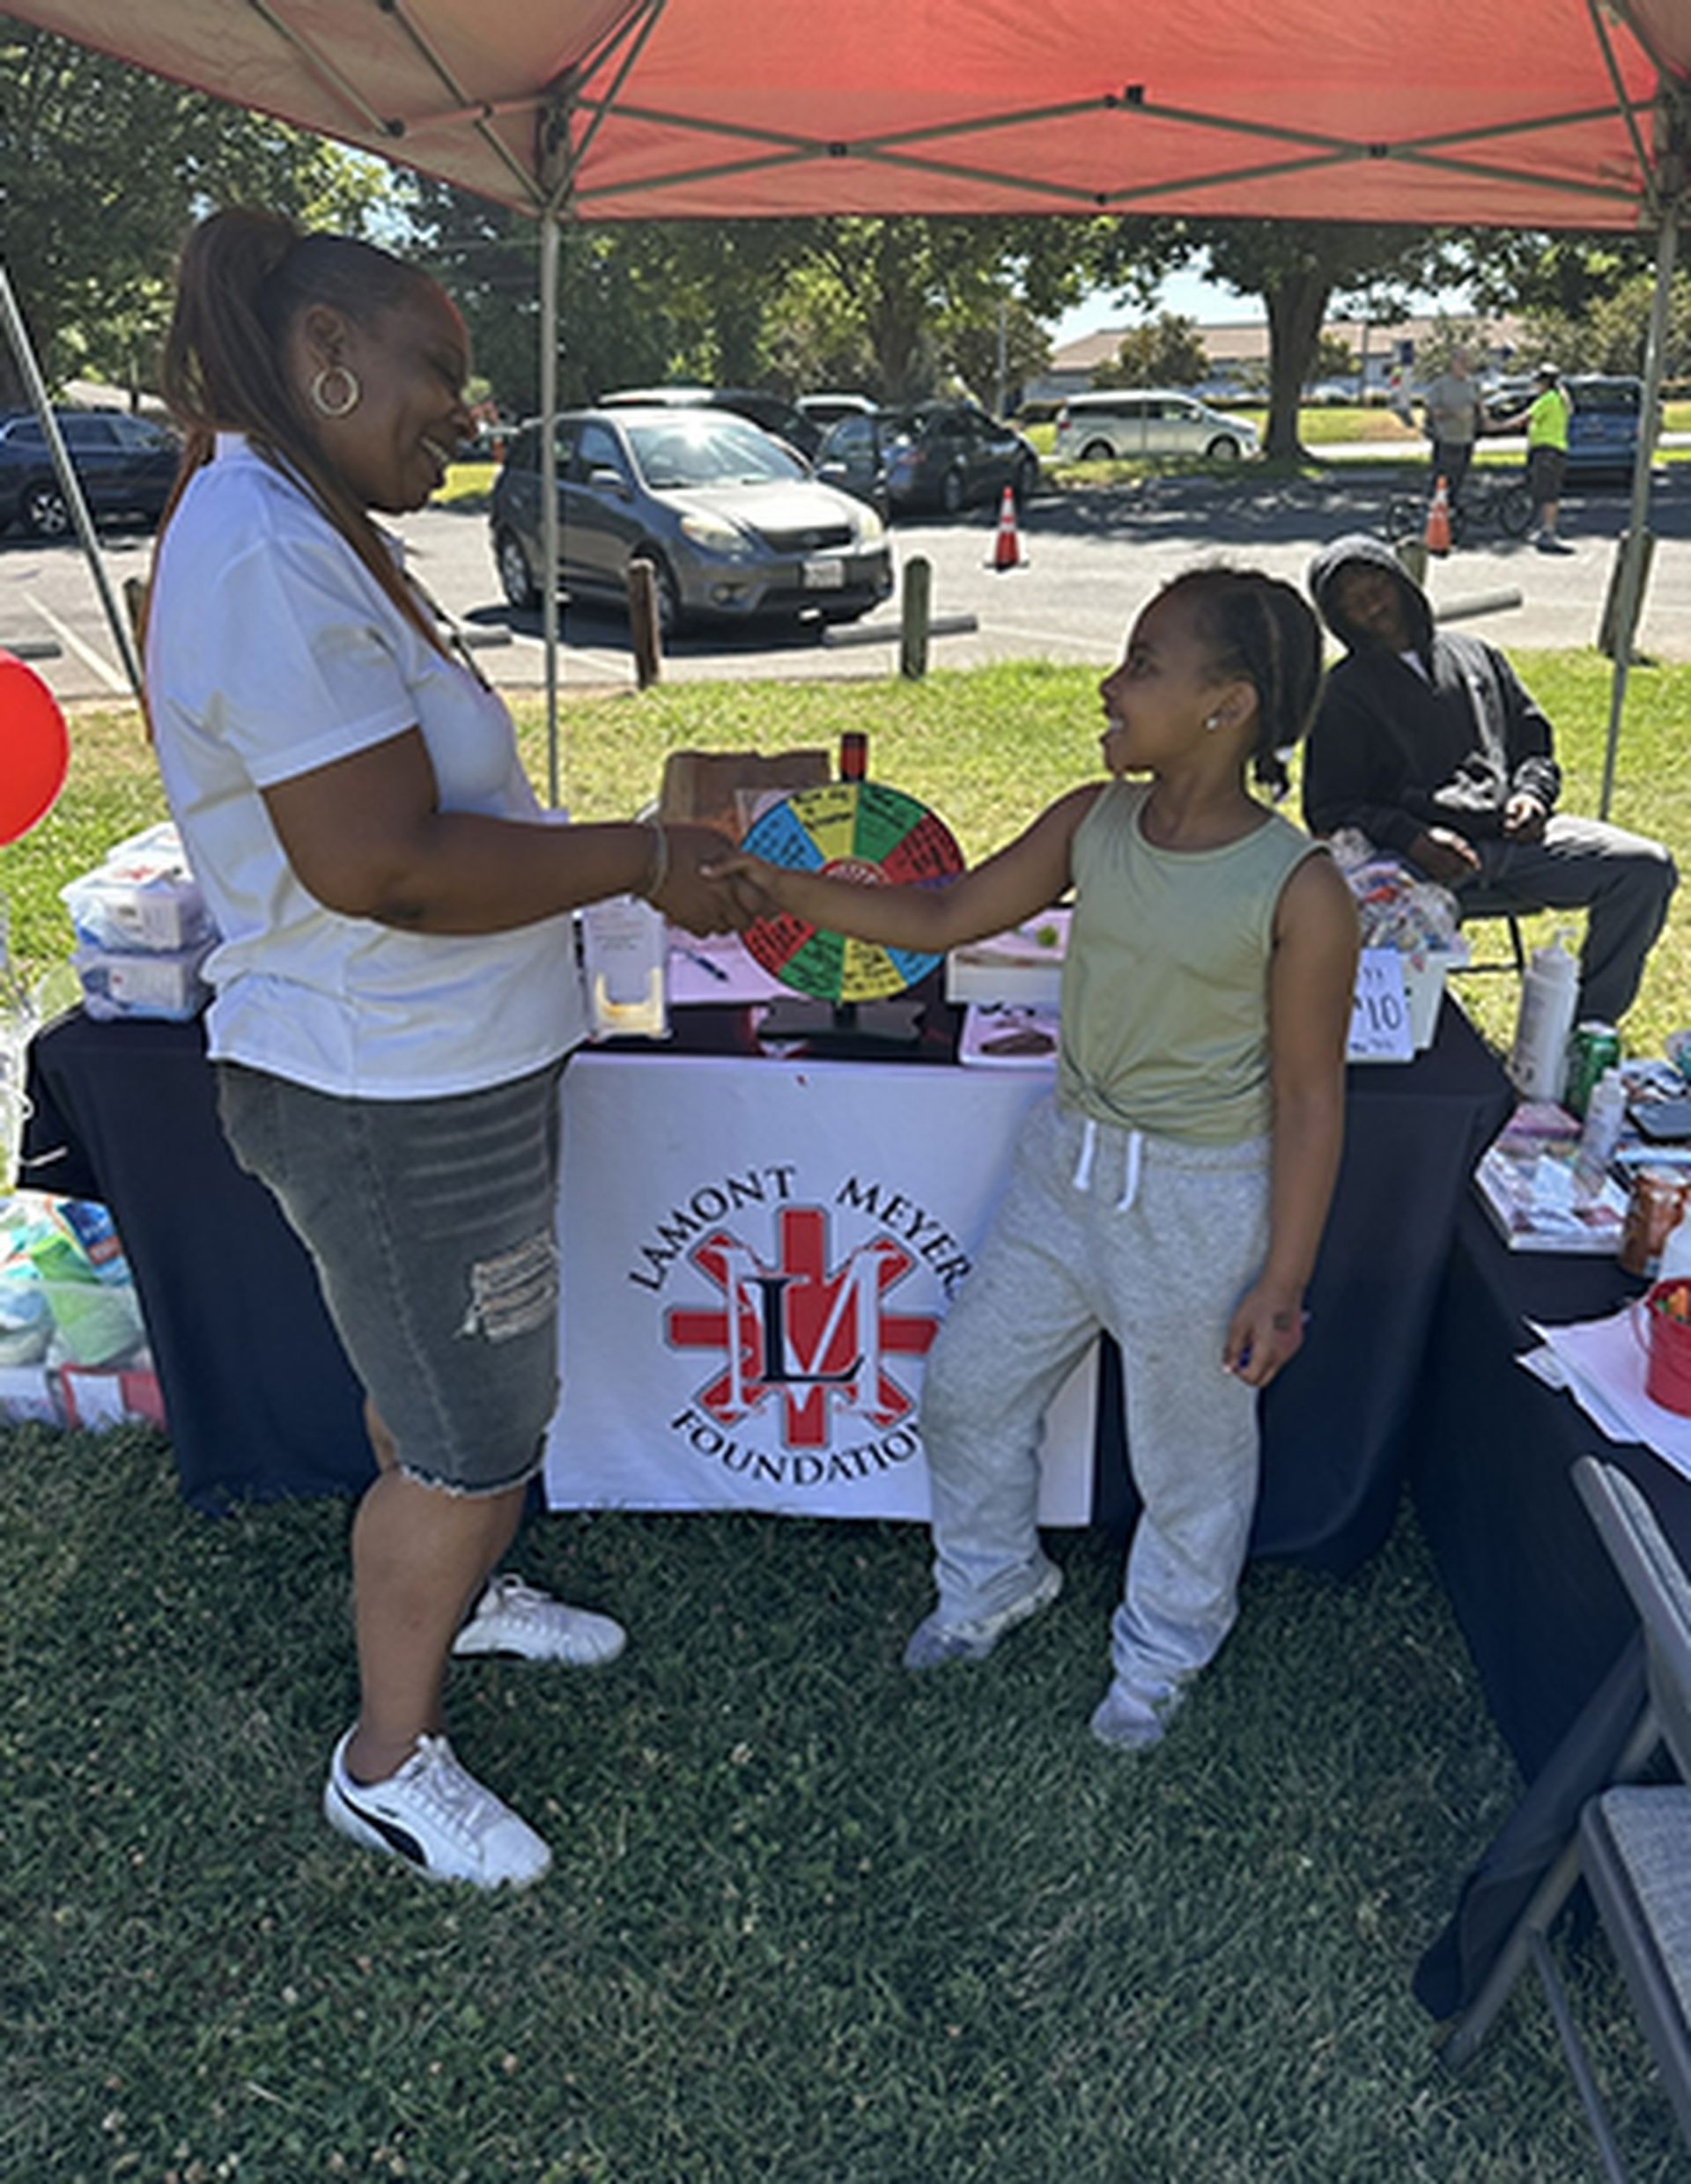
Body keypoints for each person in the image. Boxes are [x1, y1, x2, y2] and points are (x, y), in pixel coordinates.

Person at [144, 208, 742, 1891]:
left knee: (439, 1383)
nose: (467, 418)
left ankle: (464, 1594)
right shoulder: (263, 542)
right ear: (325, 355)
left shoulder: (314, 520)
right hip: (379, 1083)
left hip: (446, 1061)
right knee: (480, 1431)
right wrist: (636, 856)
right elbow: (383, 863)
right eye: (438, 374)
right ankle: (388, 1762)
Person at [708, 566, 1359, 1752]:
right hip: (1065, 1169)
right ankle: (994, 1579)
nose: (1111, 684)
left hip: (1200, 1201)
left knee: (1192, 1457)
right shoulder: (1090, 821)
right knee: (968, 1385)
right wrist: (788, 888)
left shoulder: (1300, 889)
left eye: (1144, 665)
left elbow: (1314, 1099)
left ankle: (1164, 1649)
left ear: (1230, 704)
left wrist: (1281, 1282)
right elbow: (946, 914)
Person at [1303, 533, 1676, 1023]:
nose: (1369, 603)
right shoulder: (1343, 693)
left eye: (1375, 584)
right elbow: (1329, 809)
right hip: (1412, 862)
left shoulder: (1476, 655)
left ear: (1400, 583)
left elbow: (1534, 745)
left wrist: (1531, 797)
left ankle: (1585, 1026)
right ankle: (1408, 1041)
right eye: (1350, 600)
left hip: (1515, 839)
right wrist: (1413, 838)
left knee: (1646, 867)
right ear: (1339, 619)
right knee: (1366, 913)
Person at [1519, 359, 1572, 551]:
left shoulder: (1548, 399)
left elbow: (1525, 418)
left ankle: (1549, 531)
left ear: (1544, 383)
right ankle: (1544, 529)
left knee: (1548, 492)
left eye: (1537, 382)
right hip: (1551, 450)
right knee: (1543, 490)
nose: (1535, 385)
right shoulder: (1557, 398)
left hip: (1547, 450)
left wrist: (1495, 426)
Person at [1420, 347, 1483, 505]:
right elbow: (1431, 410)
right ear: (1452, 363)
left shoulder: (1472, 385)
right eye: (1461, 361)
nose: (1465, 364)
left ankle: (1453, 515)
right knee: (1441, 482)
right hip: (1446, 440)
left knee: (1458, 482)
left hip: (1466, 441)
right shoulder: (1441, 385)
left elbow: (1479, 408)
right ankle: (1435, 515)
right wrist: (1453, 414)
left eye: (1467, 361)